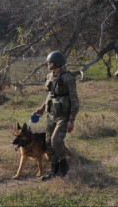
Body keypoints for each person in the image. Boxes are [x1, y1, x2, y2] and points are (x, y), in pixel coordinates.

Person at [34, 51, 79, 180]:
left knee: (56, 141)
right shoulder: (49, 76)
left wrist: (72, 119)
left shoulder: (67, 78)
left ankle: (64, 165)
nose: (48, 64)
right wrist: (43, 107)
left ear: (58, 63)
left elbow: (74, 99)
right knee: (48, 142)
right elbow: (50, 94)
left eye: (50, 62)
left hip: (63, 116)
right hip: (51, 114)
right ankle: (54, 169)